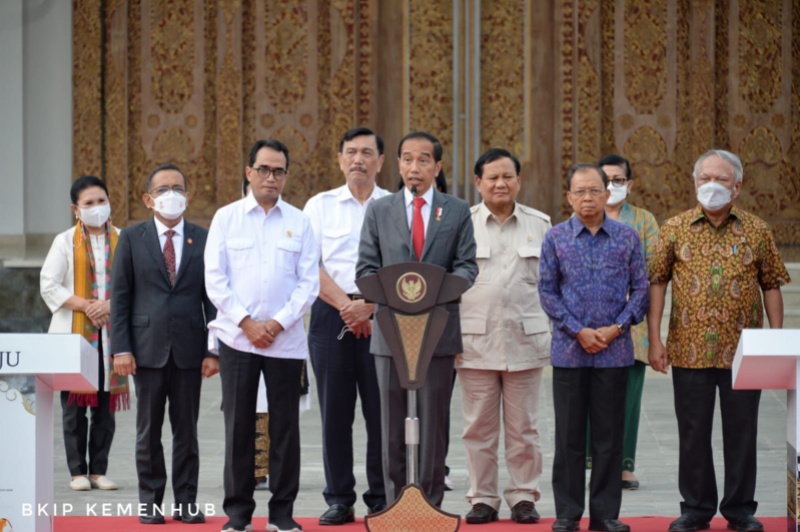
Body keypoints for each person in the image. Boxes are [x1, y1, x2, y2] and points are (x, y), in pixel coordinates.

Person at [648, 149, 791, 532]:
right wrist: (654, 339)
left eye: (721, 179)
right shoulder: (674, 228)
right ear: (695, 183)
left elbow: (772, 285)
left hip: (744, 353)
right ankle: (696, 508)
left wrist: (776, 341)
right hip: (688, 349)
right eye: (704, 179)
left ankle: (740, 509)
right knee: (693, 432)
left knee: (742, 432)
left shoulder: (757, 230)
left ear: (738, 186)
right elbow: (657, 282)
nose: (712, 186)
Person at [356, 130, 478, 507]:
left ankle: (430, 505)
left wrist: (428, 297)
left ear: (437, 167)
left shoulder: (456, 210)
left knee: (433, 424)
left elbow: (467, 268)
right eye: (407, 159)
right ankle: (395, 505)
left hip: (438, 332)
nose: (414, 167)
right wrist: (401, 299)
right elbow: (365, 270)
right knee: (391, 425)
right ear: (397, 164)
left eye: (423, 160)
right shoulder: (380, 210)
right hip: (391, 333)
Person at [205, 139, 320, 532]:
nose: (271, 177)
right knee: (239, 425)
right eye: (264, 169)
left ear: (286, 176)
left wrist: (277, 323)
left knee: (284, 428)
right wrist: (247, 322)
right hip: (238, 340)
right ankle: (237, 514)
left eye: (279, 171)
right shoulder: (226, 218)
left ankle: (282, 513)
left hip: (284, 343)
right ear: (249, 171)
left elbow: (309, 283)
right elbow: (215, 280)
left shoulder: (300, 221)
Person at [539, 163, 648, 532]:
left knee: (608, 438)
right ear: (568, 196)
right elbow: (547, 292)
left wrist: (617, 328)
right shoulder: (555, 238)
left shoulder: (627, 238)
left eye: (595, 190)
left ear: (607, 193)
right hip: (570, 354)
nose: (588, 197)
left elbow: (642, 291)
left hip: (615, 353)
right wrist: (578, 330)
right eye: (580, 191)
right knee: (568, 438)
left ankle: (605, 515)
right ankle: (568, 514)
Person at [111, 163, 218, 525]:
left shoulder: (204, 239)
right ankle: (150, 503)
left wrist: (212, 349)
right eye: (162, 190)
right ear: (148, 199)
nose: (170, 195)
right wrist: (120, 348)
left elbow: (213, 299)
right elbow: (121, 297)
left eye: (177, 188)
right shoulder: (130, 238)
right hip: (145, 350)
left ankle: (186, 502)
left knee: (186, 432)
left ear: (187, 196)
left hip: (190, 351)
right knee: (148, 432)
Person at [458, 148, 551, 525]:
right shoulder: (461, 224)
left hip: (525, 340)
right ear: (478, 182)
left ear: (519, 180)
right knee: (477, 427)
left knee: (524, 427)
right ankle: (483, 498)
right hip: (475, 341)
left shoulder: (541, 225)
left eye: (507, 176)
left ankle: (523, 496)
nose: (500, 183)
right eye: (492, 177)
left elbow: (553, 285)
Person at [303, 127, 389, 525]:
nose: (359, 159)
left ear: (381, 162)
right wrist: (347, 306)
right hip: (330, 314)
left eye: (367, 152)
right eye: (351, 152)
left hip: (383, 314)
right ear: (339, 160)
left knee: (382, 411)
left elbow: (405, 265)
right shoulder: (319, 206)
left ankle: (380, 495)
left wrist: (370, 306)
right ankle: (339, 497)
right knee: (335, 412)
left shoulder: (394, 206)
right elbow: (308, 266)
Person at [40, 175, 129, 492]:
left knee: (105, 406)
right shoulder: (64, 241)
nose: (96, 208)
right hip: (74, 333)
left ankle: (98, 470)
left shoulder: (123, 239)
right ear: (75, 209)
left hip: (113, 333)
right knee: (74, 407)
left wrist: (108, 306)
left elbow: (136, 285)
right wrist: (88, 306)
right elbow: (49, 283)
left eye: (101, 201)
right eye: (88, 203)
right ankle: (77, 471)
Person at [585, 155, 659, 491]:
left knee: (628, 399)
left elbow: (652, 274)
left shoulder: (643, 222)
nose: (612, 186)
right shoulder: (582, 218)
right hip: (587, 327)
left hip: (632, 324)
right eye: (606, 180)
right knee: (591, 398)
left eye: (619, 180)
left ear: (629, 184)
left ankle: (624, 466)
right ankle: (594, 464)